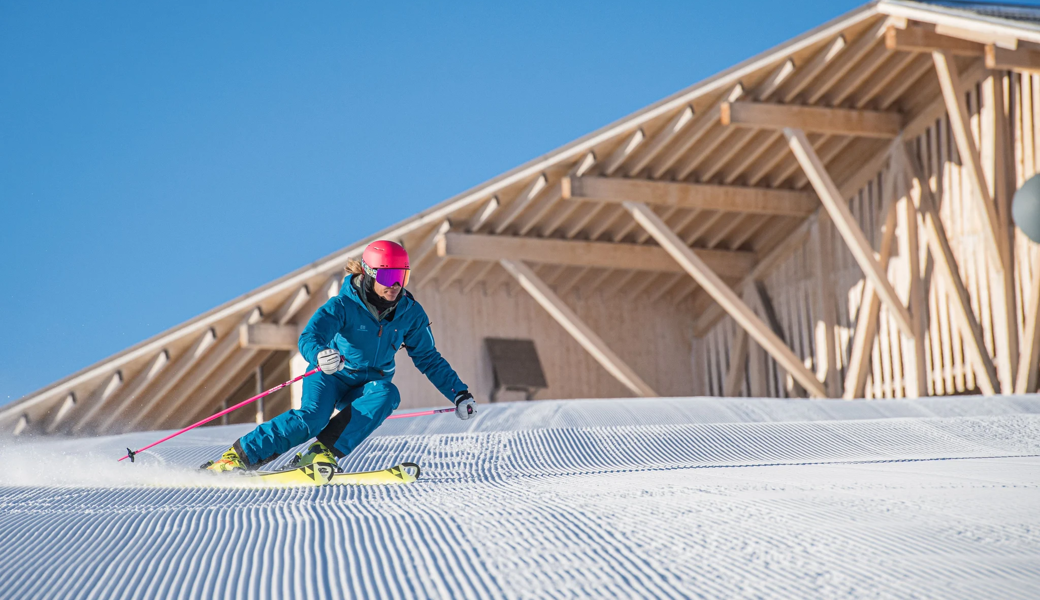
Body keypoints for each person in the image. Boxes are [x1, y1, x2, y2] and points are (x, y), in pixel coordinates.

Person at [203, 240, 476, 474]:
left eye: (401, 277)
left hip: (367, 383)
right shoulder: (343, 305)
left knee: (387, 394)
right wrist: (320, 354)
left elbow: (429, 358)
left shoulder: (411, 314)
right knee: (312, 419)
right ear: (369, 274)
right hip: (330, 375)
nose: (394, 286)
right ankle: (237, 457)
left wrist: (459, 393)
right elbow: (309, 336)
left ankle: (320, 454)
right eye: (386, 277)